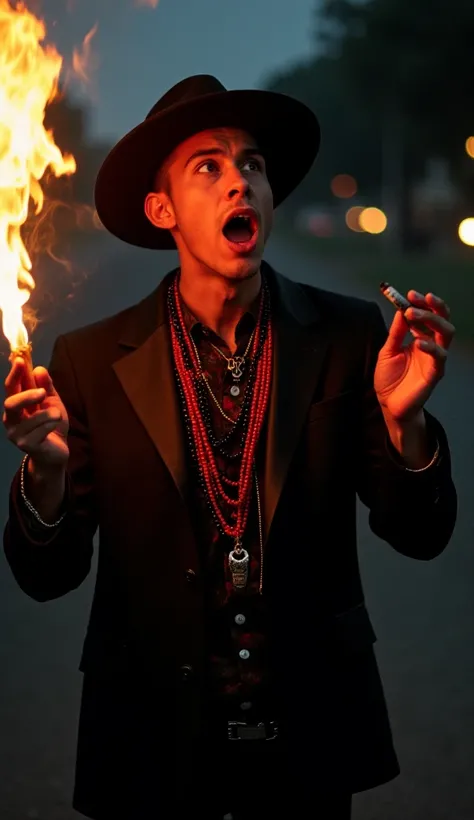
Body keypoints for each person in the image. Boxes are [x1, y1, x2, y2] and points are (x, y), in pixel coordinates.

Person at [2, 75, 457, 820]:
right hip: (151, 743)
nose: (238, 181)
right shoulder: (87, 360)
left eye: (252, 165)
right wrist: (45, 480)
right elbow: (45, 576)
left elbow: (421, 534)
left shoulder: (347, 338)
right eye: (207, 167)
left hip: (308, 747)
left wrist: (405, 426)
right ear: (163, 209)